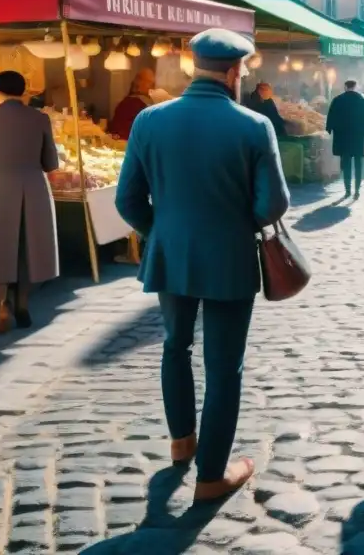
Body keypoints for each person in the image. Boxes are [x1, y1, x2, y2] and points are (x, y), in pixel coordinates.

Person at [115, 29, 290, 501]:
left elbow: (127, 199)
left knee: (175, 347)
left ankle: (181, 444)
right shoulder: (253, 126)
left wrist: (163, 231)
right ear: (234, 72)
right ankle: (212, 476)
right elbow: (273, 204)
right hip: (230, 257)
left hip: (171, 254)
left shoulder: (150, 120)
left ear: (196, 67)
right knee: (224, 366)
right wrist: (235, 223)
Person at [0, 71, 59, 332]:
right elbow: (51, 162)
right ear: (23, 90)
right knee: (28, 246)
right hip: (33, 187)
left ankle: (2, 302)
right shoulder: (40, 119)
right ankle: (23, 303)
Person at [325, 79, 364, 198]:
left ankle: (347, 190)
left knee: (346, 164)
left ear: (345, 87)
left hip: (343, 138)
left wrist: (330, 130)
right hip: (358, 138)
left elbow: (331, 118)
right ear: (356, 87)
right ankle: (357, 190)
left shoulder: (337, 100)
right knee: (358, 163)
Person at [109, 67, 156, 140]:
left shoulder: (143, 102)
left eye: (152, 83)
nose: (151, 86)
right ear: (139, 82)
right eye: (149, 82)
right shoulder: (132, 104)